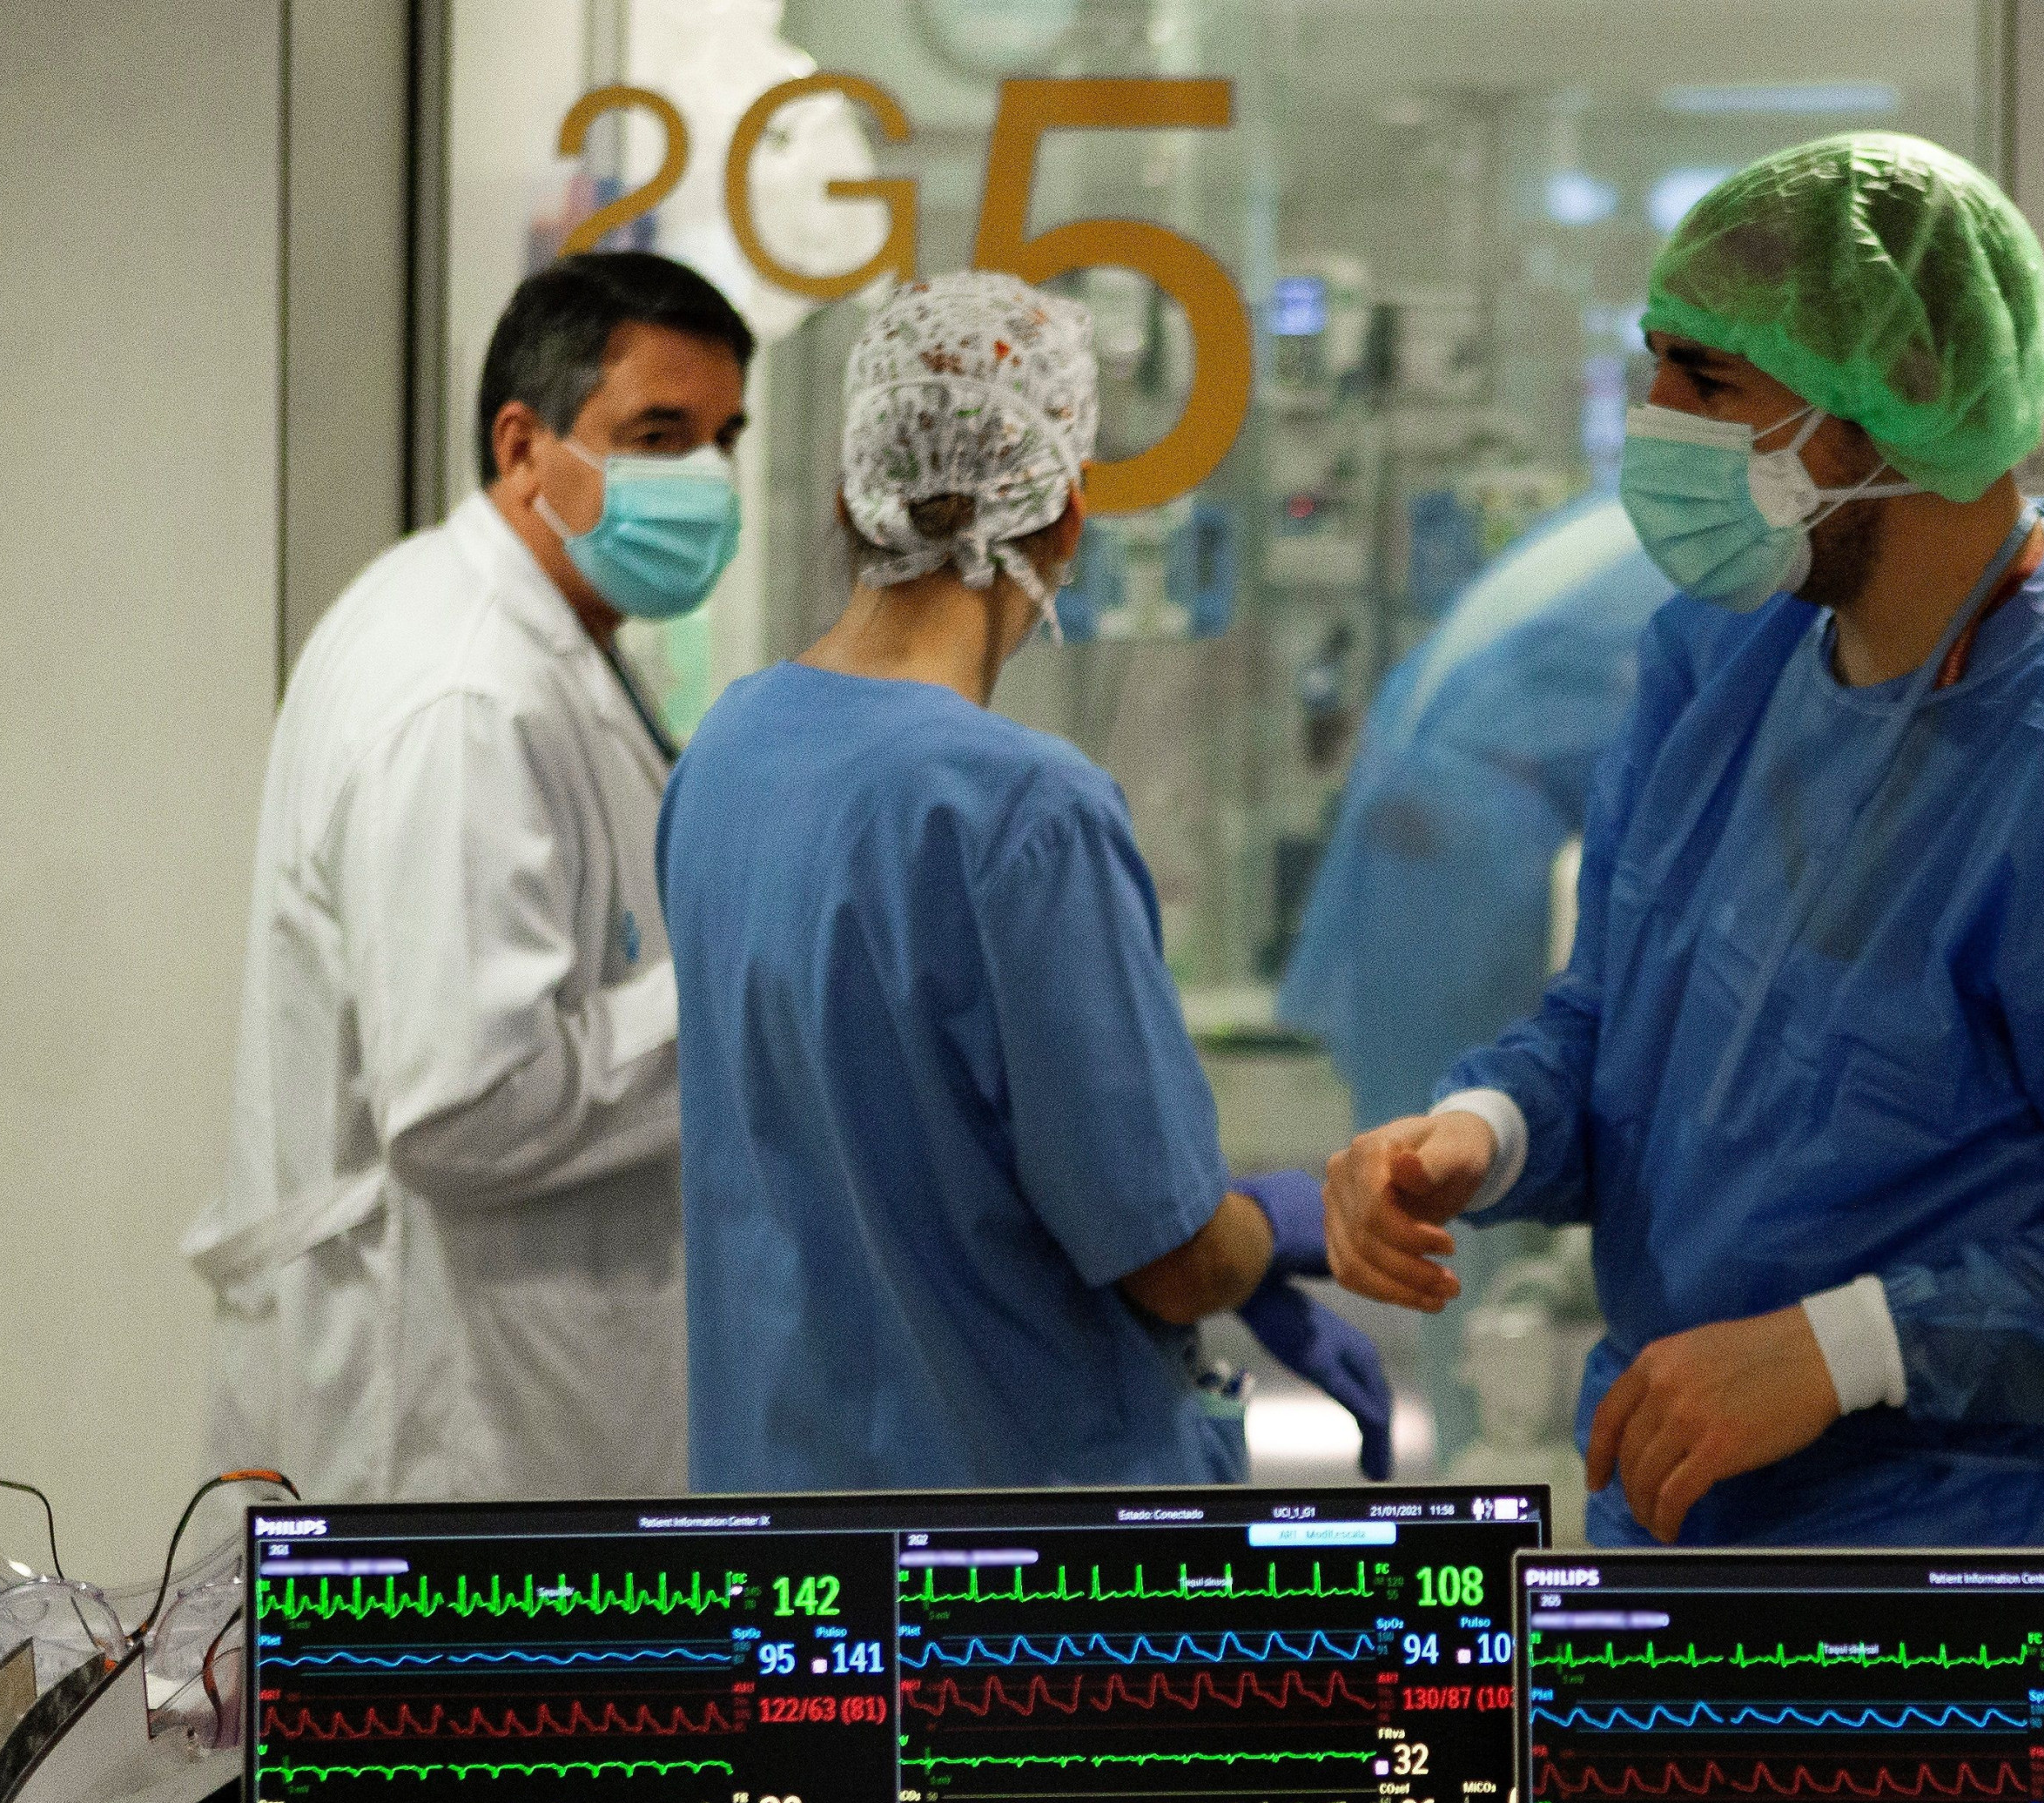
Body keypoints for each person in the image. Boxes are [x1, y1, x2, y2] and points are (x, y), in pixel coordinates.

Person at [1322, 135, 2044, 1548]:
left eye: (1707, 384)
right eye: (1655, 370)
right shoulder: (1730, 657)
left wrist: (1852, 1349)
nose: (1653, 425)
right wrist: (1481, 1131)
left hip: (1989, 1596)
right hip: (1702, 1527)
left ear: (1899, 400)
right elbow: (1628, 1022)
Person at [660, 271, 1390, 1494]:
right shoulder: (1023, 814)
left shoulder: (729, 752)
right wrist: (1274, 1227)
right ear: (1065, 519)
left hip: (792, 1522)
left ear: (849, 498)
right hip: (1015, 1576)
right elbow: (1162, 1252)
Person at [192, 250, 755, 1500]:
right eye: (658, 433)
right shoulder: (461, 689)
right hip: (453, 1414)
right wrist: (739, 982)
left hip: (520, 1384)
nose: (707, 482)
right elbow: (465, 1103)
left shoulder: (537, 643)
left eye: (723, 438)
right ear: (522, 443)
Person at [1277, 493, 1672, 1463]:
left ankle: (1482, 1457)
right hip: (1467, 852)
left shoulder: (1635, 537)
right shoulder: (1719, 575)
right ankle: (1486, 1468)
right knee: (1459, 1208)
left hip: (1444, 836)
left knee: (1455, 1180)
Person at [1279, 493, 1671, 1133]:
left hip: (1442, 806)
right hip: (1464, 833)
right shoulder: (1707, 571)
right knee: (1453, 1128)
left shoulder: (1639, 531)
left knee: (1439, 1121)